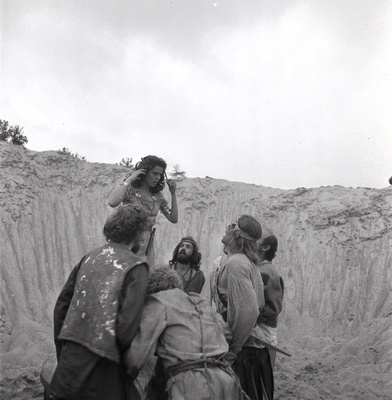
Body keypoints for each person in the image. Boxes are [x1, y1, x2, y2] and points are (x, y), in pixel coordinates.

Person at [49, 205, 150, 400]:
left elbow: (61, 308)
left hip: (67, 369)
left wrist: (64, 352)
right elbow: (126, 329)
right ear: (138, 233)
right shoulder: (136, 266)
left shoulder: (89, 257)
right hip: (102, 376)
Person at [125, 268, 249, 400]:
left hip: (191, 386)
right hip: (226, 381)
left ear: (151, 288)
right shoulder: (201, 302)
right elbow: (227, 334)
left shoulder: (158, 301)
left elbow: (136, 358)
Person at [215, 215, 274, 400]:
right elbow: (259, 303)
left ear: (237, 235)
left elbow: (250, 311)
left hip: (242, 353)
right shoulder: (245, 261)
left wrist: (233, 350)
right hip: (249, 349)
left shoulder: (236, 264)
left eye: (231, 225)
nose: (227, 227)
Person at [107, 155, 178, 267]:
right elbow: (112, 202)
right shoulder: (130, 190)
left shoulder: (158, 197)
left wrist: (173, 194)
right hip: (128, 242)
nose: (157, 178)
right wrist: (129, 179)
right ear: (145, 172)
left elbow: (173, 218)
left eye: (160, 174)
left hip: (147, 248)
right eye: (154, 173)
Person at [257, 234, 284, 369]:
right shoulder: (257, 268)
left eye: (257, 240)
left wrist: (251, 316)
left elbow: (273, 308)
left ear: (266, 247)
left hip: (263, 336)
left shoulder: (269, 272)